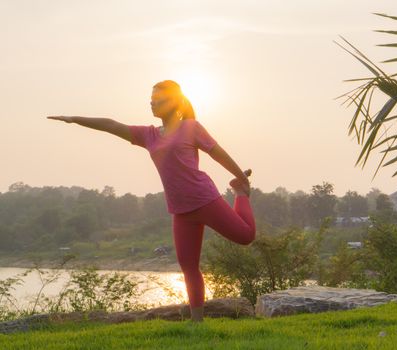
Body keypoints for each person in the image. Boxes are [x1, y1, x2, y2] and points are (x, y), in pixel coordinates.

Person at [47, 80, 256, 323]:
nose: (153, 104)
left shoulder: (191, 127)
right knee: (189, 266)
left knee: (246, 237)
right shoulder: (148, 135)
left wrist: (240, 177)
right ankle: (197, 323)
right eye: (151, 101)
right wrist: (74, 118)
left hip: (205, 199)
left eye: (160, 100)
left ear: (175, 102)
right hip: (180, 211)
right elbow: (111, 125)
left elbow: (217, 153)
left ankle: (240, 194)